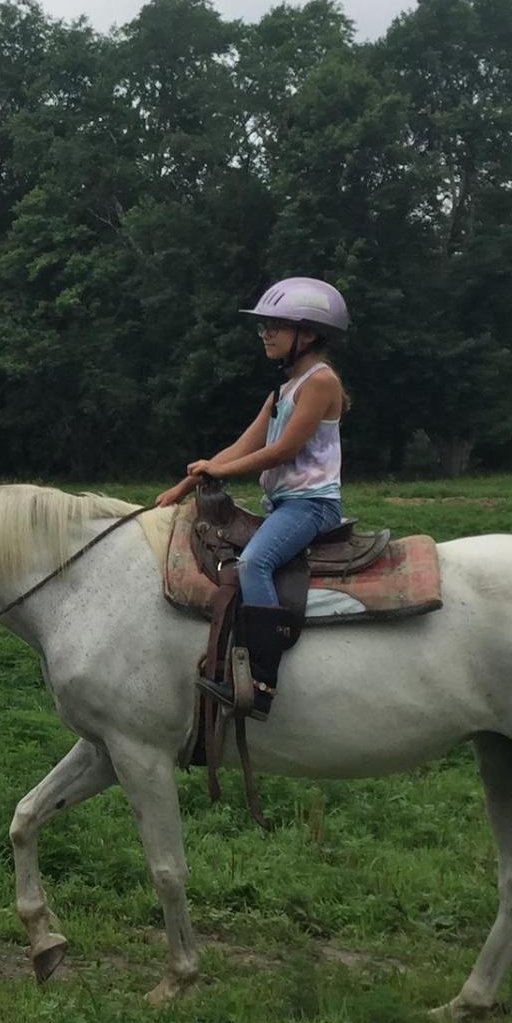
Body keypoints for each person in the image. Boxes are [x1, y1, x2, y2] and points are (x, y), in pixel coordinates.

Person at [154, 277, 349, 720]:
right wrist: (186, 483)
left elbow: (284, 451)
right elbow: (242, 446)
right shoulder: (283, 391)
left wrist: (218, 471)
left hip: (311, 505)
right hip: (281, 506)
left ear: (310, 333)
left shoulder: (321, 382)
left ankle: (261, 681)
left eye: (276, 326)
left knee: (254, 564)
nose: (265, 334)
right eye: (263, 326)